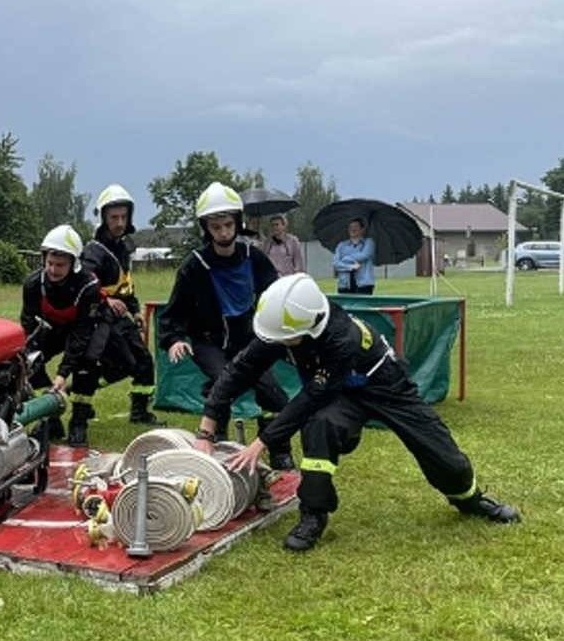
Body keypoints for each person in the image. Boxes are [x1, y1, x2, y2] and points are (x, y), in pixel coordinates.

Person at [195, 273, 520, 551]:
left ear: (310, 326)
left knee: (444, 456)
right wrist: (207, 430)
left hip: (386, 386)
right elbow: (239, 370)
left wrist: (262, 442)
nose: (277, 343)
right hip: (341, 395)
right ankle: (313, 514)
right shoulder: (284, 327)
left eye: (285, 339)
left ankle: (469, 498)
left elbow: (311, 396)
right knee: (320, 427)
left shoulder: (341, 338)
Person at [158, 183, 294, 469]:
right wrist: (174, 339)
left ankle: (279, 450)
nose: (222, 232)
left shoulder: (253, 257)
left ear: (237, 222)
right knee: (224, 381)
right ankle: (216, 441)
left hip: (248, 339)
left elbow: (275, 295)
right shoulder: (194, 265)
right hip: (208, 340)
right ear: (206, 228)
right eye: (216, 227)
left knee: (273, 394)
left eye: (228, 225)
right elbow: (175, 310)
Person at [80, 183, 163, 429]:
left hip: (121, 316)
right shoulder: (94, 251)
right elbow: (83, 283)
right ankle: (79, 392)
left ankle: (140, 413)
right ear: (103, 218)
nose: (119, 223)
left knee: (144, 361)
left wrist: (135, 310)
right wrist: (106, 299)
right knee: (124, 365)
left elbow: (125, 285)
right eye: (114, 217)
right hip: (101, 318)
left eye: (123, 217)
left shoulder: (124, 248)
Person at [19, 225, 101, 445]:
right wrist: (30, 353)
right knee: (29, 361)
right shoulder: (32, 284)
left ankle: (79, 421)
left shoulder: (89, 286)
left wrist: (63, 373)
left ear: (73, 264)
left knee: (87, 363)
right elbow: (28, 324)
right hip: (50, 329)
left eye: (60, 265)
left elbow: (82, 334)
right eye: (50, 263)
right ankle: (50, 417)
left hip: (82, 329)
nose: (53, 270)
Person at [333, 218, 376, 294]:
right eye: (350, 227)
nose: (353, 229)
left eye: (356, 226)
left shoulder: (369, 242)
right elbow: (336, 264)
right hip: (344, 284)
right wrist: (350, 267)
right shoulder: (341, 245)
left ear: (362, 229)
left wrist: (345, 259)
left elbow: (364, 255)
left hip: (364, 284)